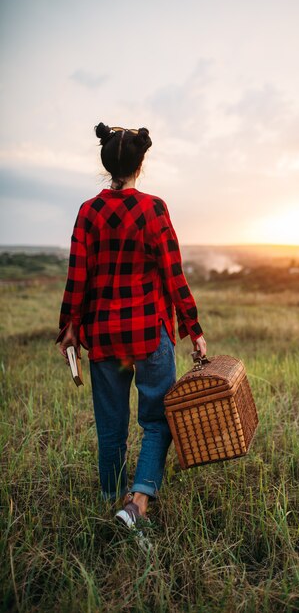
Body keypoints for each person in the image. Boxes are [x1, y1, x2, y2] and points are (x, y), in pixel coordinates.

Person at [55, 122, 206, 531]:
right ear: (141, 164)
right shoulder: (153, 208)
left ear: (107, 164)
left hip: (103, 335)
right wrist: (194, 328)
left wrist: (69, 324)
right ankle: (139, 498)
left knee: (111, 425)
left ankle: (112, 499)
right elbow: (174, 274)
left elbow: (77, 277)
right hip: (148, 332)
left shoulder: (89, 211)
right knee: (157, 419)